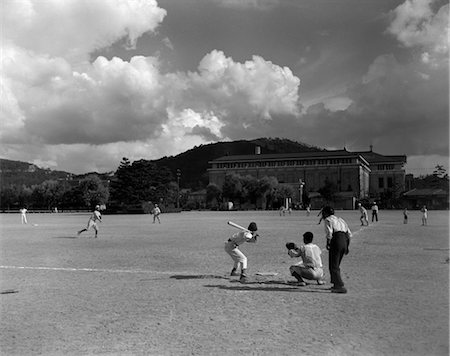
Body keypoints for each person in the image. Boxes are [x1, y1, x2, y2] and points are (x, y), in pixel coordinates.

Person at [322, 206, 352, 294]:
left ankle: (339, 285)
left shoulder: (328, 220)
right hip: (344, 240)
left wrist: (328, 243)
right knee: (336, 264)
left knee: (333, 265)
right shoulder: (341, 220)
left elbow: (329, 233)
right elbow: (348, 234)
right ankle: (335, 283)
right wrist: (347, 246)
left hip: (337, 240)